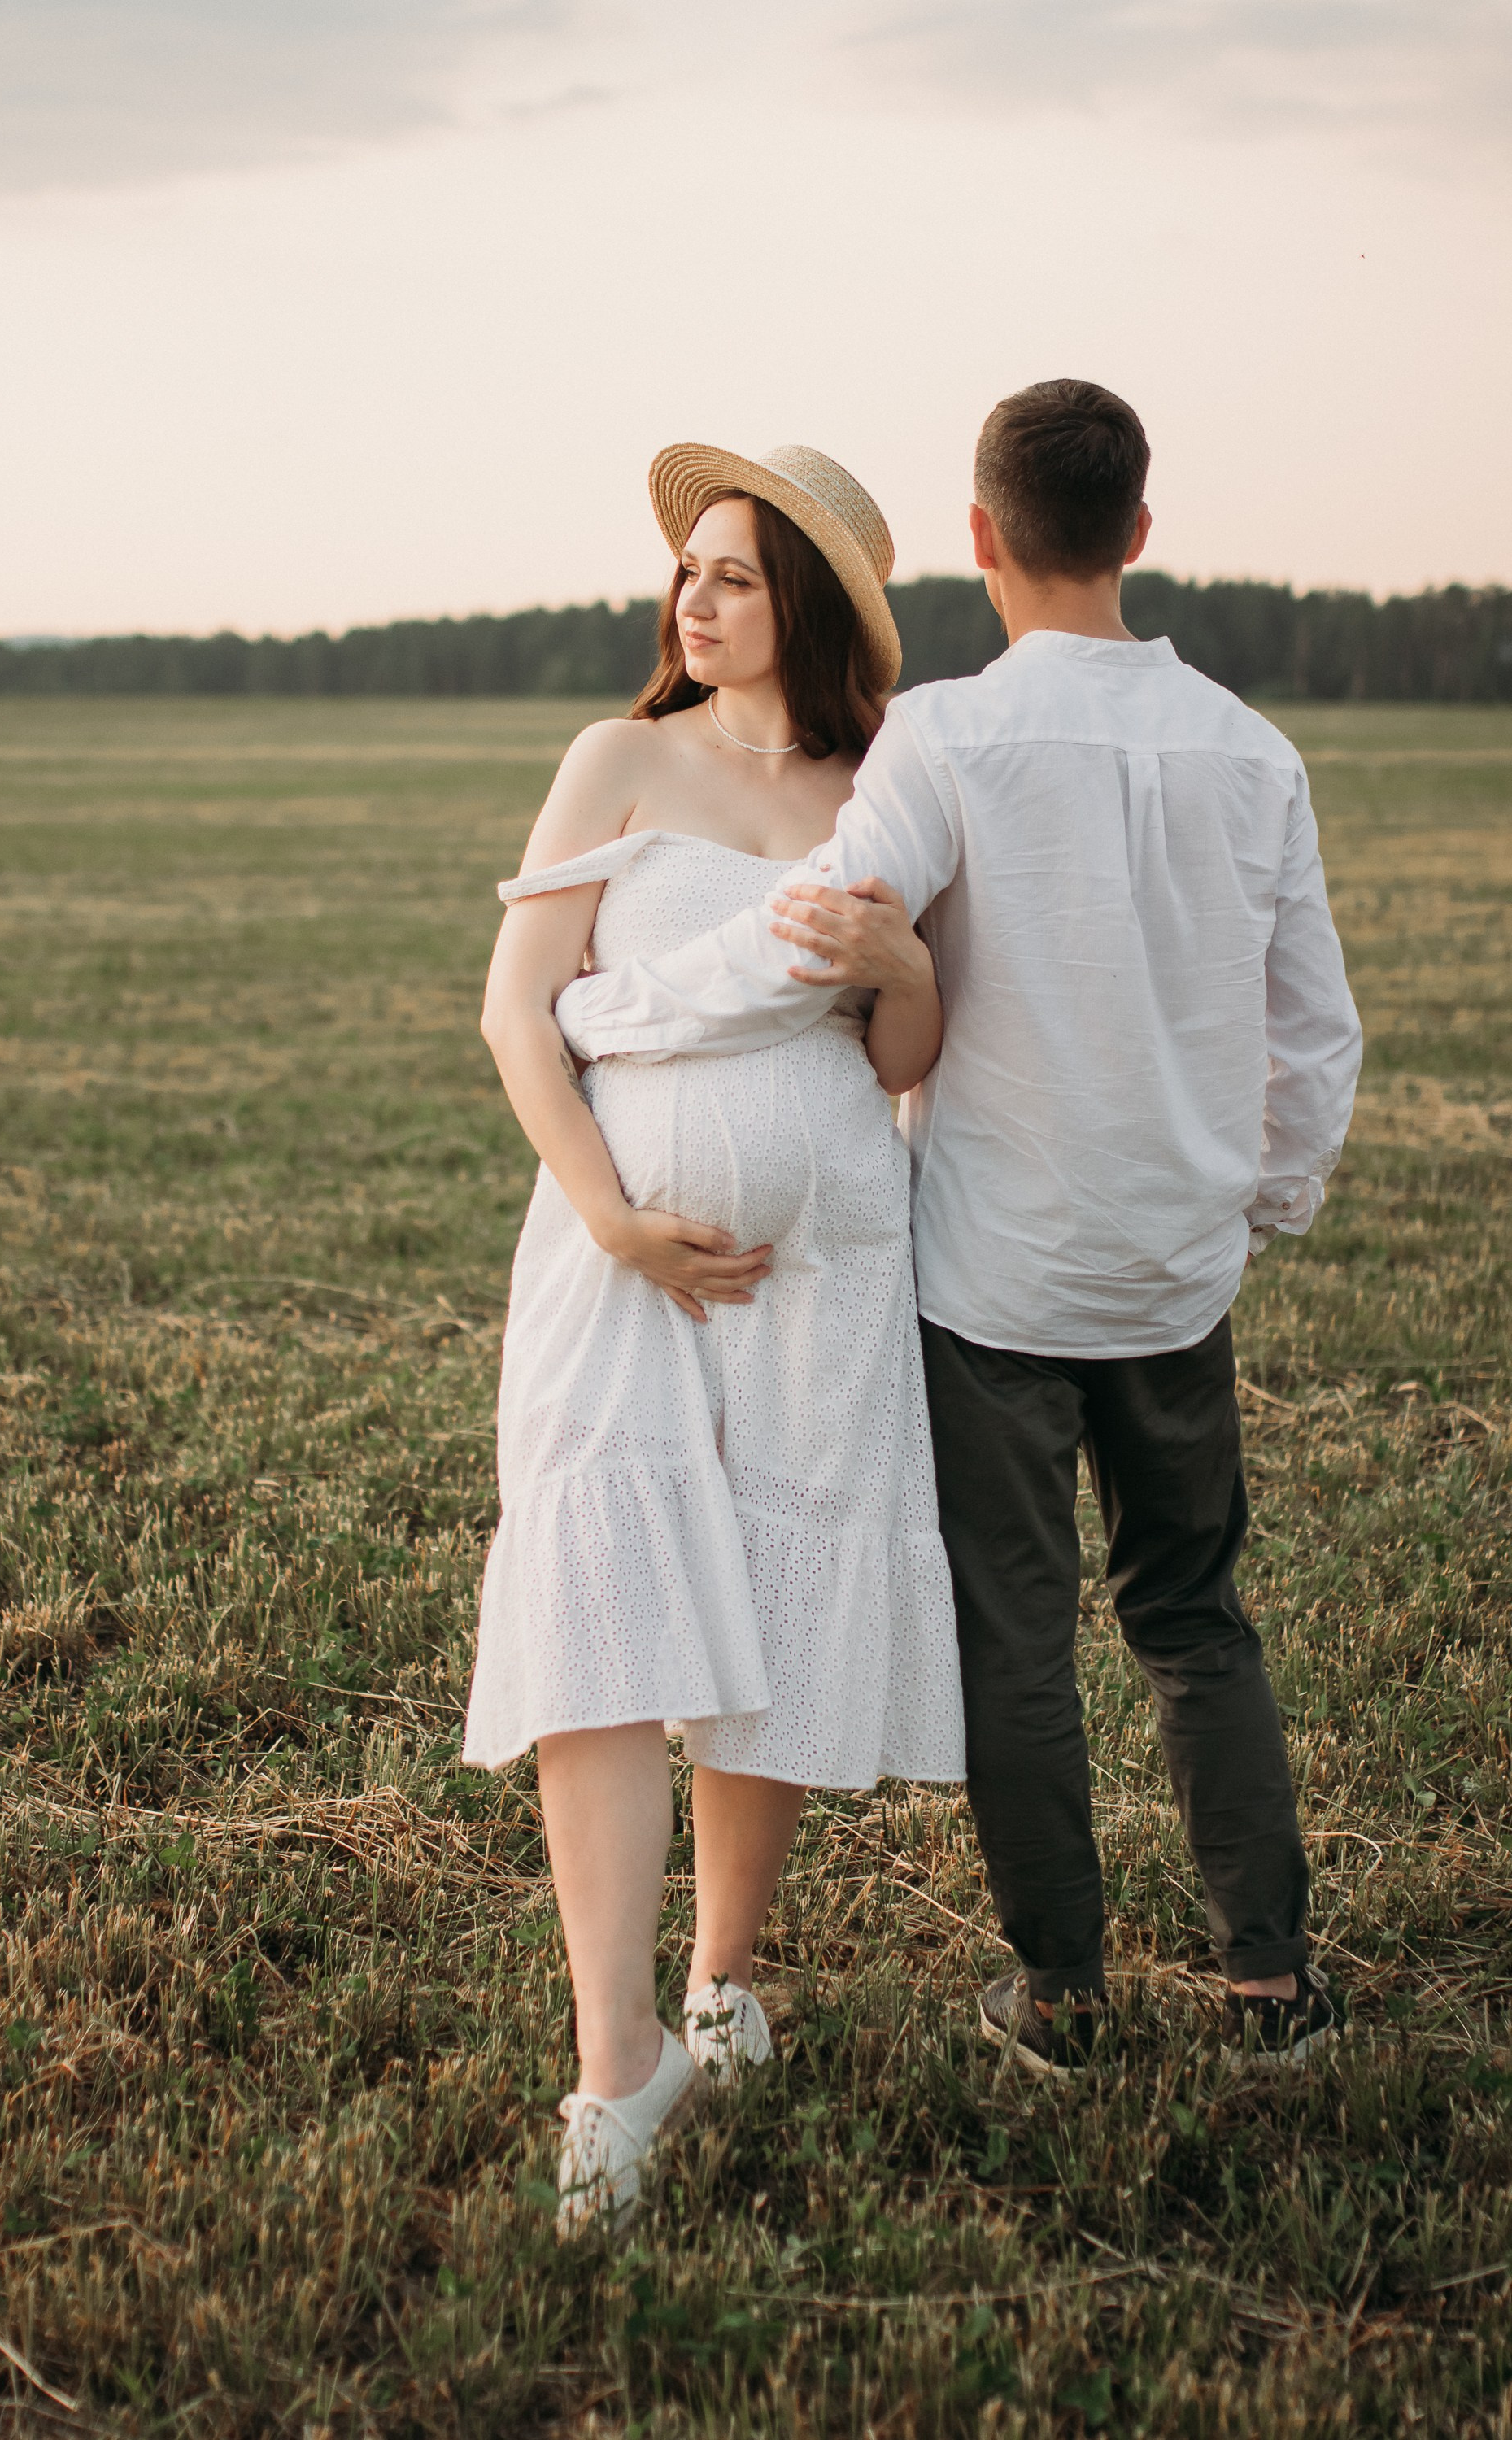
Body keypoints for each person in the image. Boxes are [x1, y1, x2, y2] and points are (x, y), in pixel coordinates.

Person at [556, 381, 1364, 2078]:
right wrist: (1264, 1202)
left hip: (994, 1278)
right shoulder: (1253, 752)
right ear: (1139, 532)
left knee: (1021, 1635)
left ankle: (1061, 1994)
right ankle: (1271, 1985)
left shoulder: (945, 737)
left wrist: (611, 1011)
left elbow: (810, 930)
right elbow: (1314, 1034)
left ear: (983, 537)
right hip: (1176, 1278)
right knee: (1196, 1618)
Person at [468, 443, 965, 2230]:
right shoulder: (618, 759)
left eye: (736, 573)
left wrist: (906, 971)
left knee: (768, 1606)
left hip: (823, 1269)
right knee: (597, 1593)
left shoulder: (883, 785)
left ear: (807, 605)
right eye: (689, 567)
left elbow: (904, 1056)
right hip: (616, 1261)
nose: (695, 596)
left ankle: (722, 1981)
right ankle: (614, 2060)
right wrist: (611, 1216)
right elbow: (517, 1010)